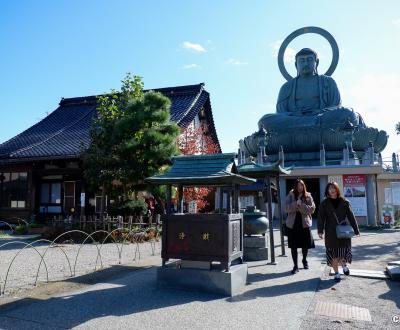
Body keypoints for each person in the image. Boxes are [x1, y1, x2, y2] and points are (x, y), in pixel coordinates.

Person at [318, 182, 360, 282]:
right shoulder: (324, 203)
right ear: (327, 191)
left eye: (334, 188)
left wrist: (356, 230)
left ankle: (344, 265)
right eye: (330, 189)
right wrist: (320, 231)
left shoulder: (345, 202)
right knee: (333, 254)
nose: (332, 190)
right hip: (331, 232)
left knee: (343, 252)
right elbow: (321, 218)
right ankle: (337, 273)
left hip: (343, 232)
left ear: (337, 189)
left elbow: (351, 216)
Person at [285, 179, 316, 274]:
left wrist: (301, 205)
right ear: (295, 186)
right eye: (298, 185)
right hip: (293, 224)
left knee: (305, 245)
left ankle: (304, 260)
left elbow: (312, 209)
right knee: (293, 246)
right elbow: (286, 208)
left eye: (301, 185)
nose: (300, 187)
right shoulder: (290, 195)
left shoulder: (308, 196)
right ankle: (295, 266)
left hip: (304, 224)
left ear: (304, 186)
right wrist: (295, 204)